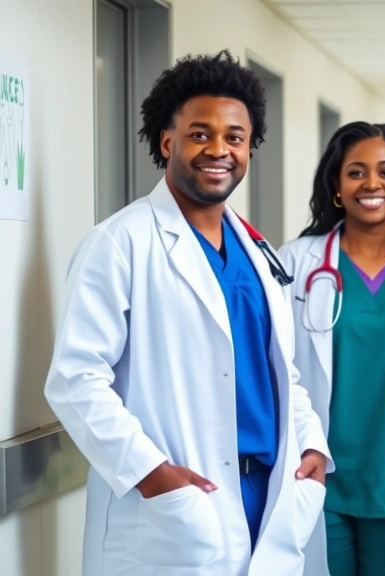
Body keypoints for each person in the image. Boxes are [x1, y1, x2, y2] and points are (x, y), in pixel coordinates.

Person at [43, 50, 330, 575]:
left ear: (250, 148)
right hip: (177, 506)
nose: (219, 149)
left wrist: (311, 443)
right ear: (167, 141)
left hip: (266, 493)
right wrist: (152, 474)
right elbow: (75, 379)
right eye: (201, 134)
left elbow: (275, 366)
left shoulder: (256, 249)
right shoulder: (120, 242)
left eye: (235, 137)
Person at [278, 122, 385, 576]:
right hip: (317, 472)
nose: (372, 183)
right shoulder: (296, 263)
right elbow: (278, 365)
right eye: (356, 172)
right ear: (336, 185)